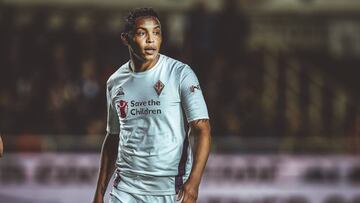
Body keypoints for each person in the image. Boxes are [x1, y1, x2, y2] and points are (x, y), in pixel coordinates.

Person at [93, 8, 211, 203]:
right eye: (142, 33)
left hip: (170, 188)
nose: (151, 39)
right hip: (126, 188)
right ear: (126, 38)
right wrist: (99, 193)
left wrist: (194, 182)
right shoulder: (115, 82)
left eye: (156, 32)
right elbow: (113, 137)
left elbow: (202, 129)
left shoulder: (180, 73)